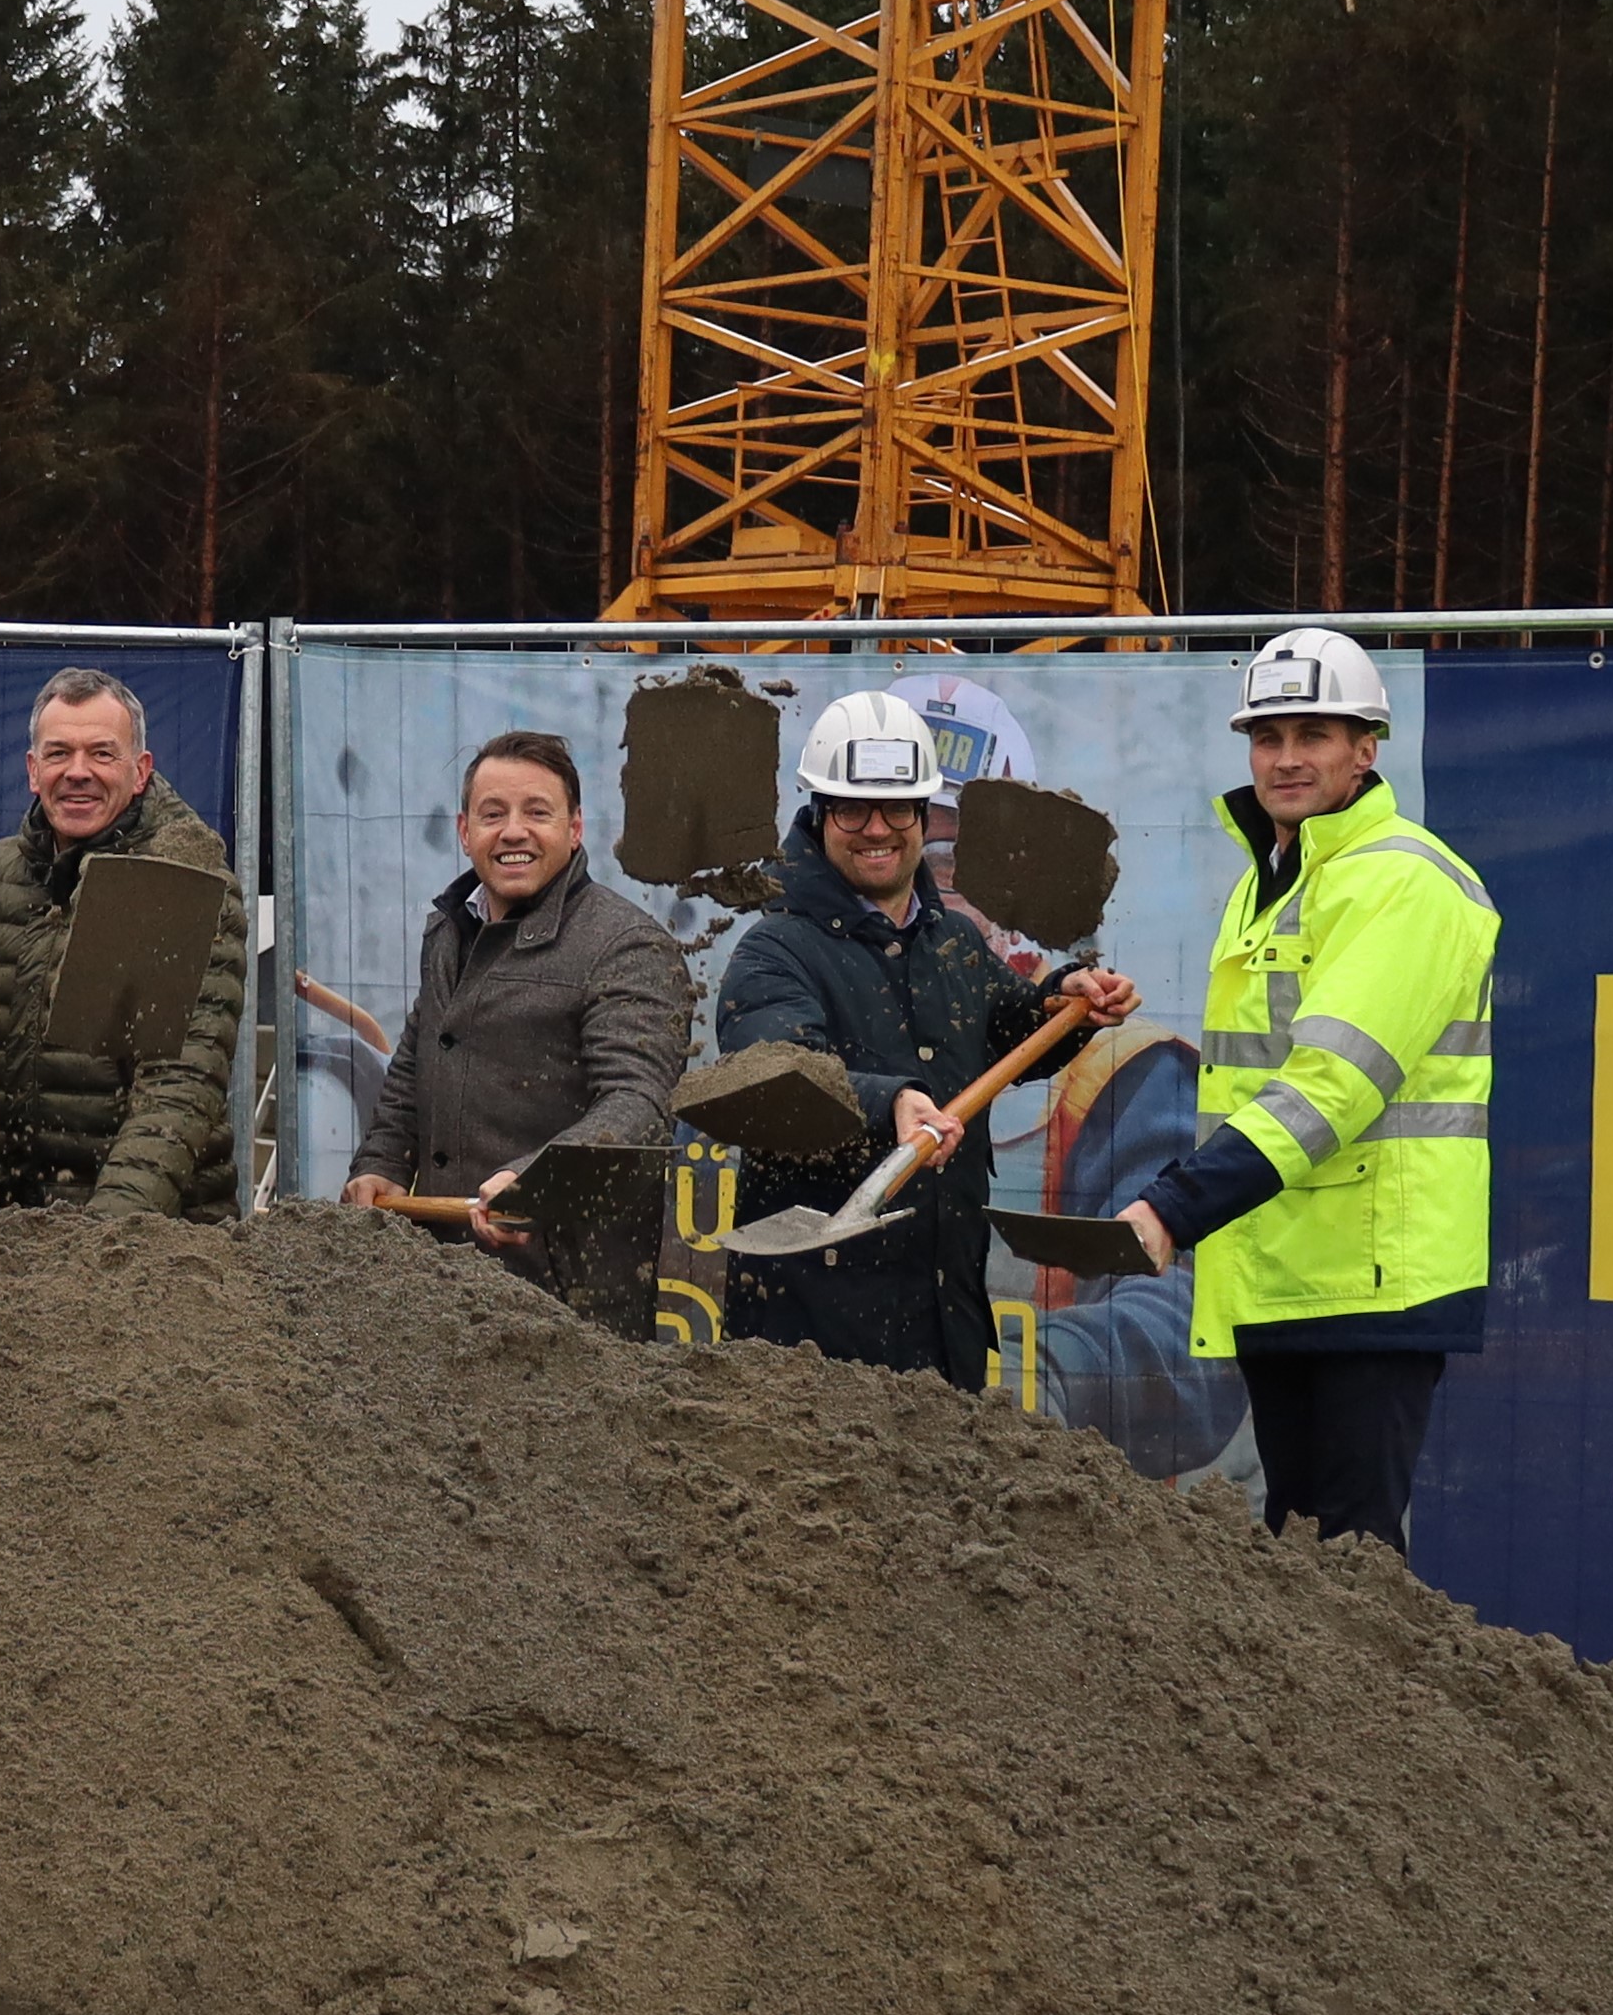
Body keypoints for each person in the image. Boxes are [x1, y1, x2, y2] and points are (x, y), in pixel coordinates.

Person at [1110, 626, 1495, 1546]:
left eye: (1313, 736)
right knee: (1299, 1557)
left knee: (1353, 1572)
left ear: (1366, 749)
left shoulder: (1402, 880)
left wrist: (1176, 1207)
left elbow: (1331, 1086)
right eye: (1268, 737)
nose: (1285, 760)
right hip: (1291, 1270)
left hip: (1372, 1284)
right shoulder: (1278, 880)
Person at [714, 689, 1135, 1382]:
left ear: (922, 814)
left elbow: (1009, 1029)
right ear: (819, 815)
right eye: (853, 807)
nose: (877, 828)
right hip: (810, 1345)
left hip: (945, 1324)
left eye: (898, 807)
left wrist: (1066, 1001)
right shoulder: (774, 950)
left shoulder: (954, 943)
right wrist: (892, 1104)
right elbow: (776, 1071)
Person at [343, 728, 691, 1232]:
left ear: (574, 830)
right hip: (438, 1277)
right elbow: (419, 1060)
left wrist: (533, 1182)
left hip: (565, 1283)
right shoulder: (448, 930)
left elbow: (638, 1107)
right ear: (465, 832)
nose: (513, 832)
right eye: (493, 814)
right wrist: (384, 1160)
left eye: (537, 812)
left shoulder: (628, 945)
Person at [0, 665, 239, 1221]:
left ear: (140, 771)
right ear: (33, 771)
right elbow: (6, 1051)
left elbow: (182, 1082)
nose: (77, 772)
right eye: (59, 754)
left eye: (102, 754)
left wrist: (107, 1234)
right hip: (26, 1228)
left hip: (151, 1240)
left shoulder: (184, 877)